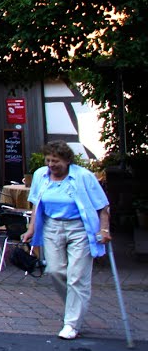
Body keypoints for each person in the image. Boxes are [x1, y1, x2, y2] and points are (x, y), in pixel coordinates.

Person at [20, 140, 110, 340]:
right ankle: (76, 306)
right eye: (49, 160)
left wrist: (104, 229)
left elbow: (103, 206)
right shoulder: (40, 176)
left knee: (77, 276)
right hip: (52, 227)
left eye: (56, 161)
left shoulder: (83, 176)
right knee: (54, 270)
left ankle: (71, 323)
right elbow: (36, 204)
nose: (51, 165)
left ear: (67, 161)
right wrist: (31, 229)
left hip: (80, 228)